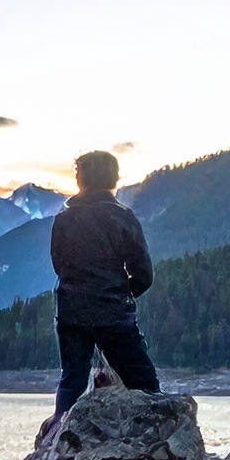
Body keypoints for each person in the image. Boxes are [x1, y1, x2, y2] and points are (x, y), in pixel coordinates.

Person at [48, 149, 158, 414]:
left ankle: (58, 442)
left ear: (80, 180)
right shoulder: (122, 217)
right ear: (114, 179)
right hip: (114, 314)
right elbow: (143, 273)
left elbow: (58, 265)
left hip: (71, 310)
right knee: (144, 383)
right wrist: (120, 292)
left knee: (71, 380)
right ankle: (157, 444)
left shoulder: (63, 219)